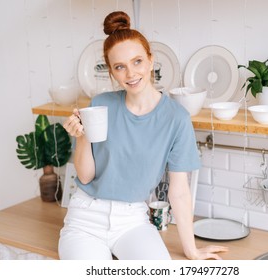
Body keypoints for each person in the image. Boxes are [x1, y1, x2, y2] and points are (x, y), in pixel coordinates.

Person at [59, 11, 228, 260]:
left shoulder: (176, 118)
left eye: (137, 61)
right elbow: (85, 175)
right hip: (86, 218)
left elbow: (179, 192)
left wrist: (191, 250)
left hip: (132, 222)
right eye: (120, 67)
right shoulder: (100, 104)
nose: (130, 73)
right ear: (112, 72)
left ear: (150, 60)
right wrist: (82, 137)